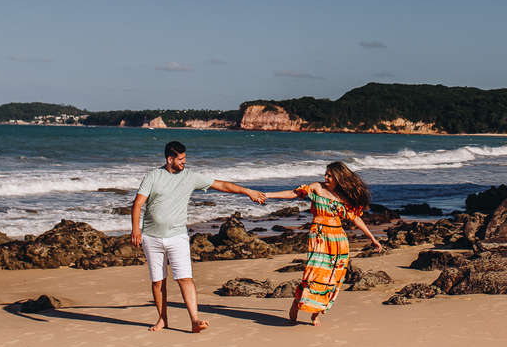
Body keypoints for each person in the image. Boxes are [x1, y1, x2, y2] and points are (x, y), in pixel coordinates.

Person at [130, 140, 267, 333]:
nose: (184, 162)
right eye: (181, 159)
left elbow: (222, 185)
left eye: (185, 158)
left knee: (184, 278)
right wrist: (136, 229)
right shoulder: (153, 176)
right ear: (170, 159)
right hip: (151, 237)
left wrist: (248, 191)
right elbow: (137, 204)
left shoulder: (190, 177)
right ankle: (162, 319)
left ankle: (194, 320)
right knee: (158, 281)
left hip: (177, 236)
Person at [264, 161, 382, 326]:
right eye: (325, 174)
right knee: (313, 273)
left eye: (329, 175)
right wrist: (268, 195)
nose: (325, 177)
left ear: (338, 177)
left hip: (338, 241)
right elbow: (293, 194)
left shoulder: (343, 197)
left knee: (332, 278)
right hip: (319, 237)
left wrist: (372, 238)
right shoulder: (317, 188)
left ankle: (316, 313)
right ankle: (298, 302)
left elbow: (355, 218)